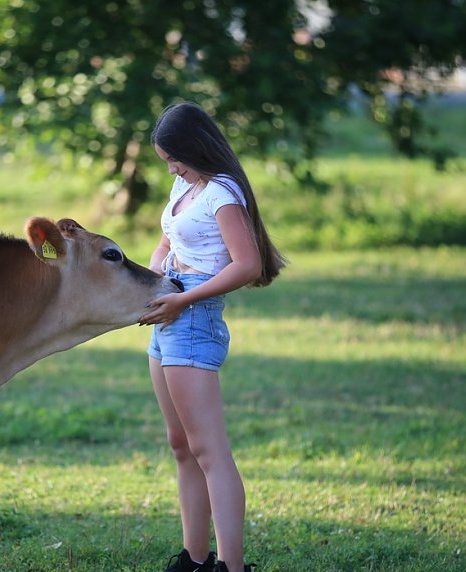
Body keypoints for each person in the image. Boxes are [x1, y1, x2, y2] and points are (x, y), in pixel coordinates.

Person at [138, 102, 285, 572]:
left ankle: (231, 566)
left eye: (174, 159)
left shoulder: (222, 193)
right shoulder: (185, 186)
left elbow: (248, 265)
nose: (171, 169)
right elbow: (167, 241)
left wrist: (183, 299)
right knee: (181, 444)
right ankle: (195, 560)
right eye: (166, 162)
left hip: (193, 316)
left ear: (195, 148)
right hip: (170, 309)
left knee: (209, 451)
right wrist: (156, 276)